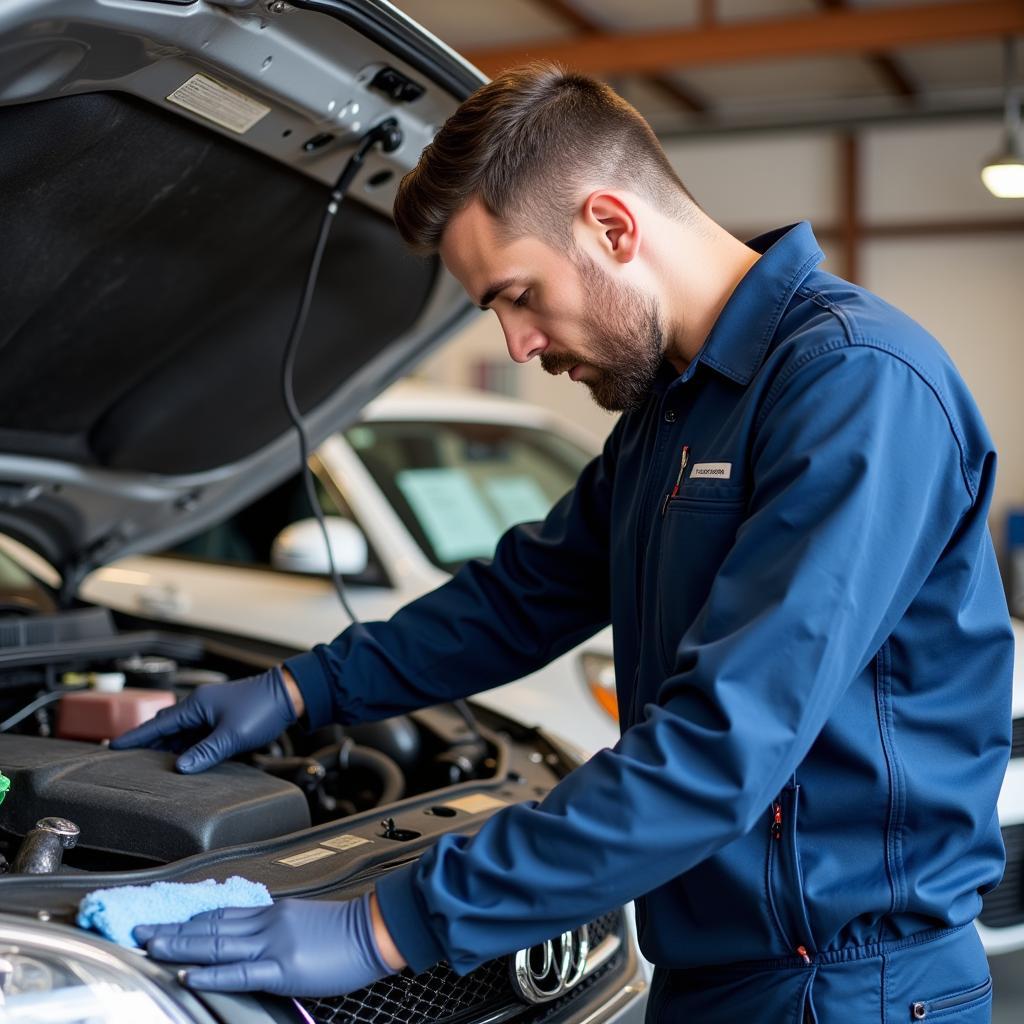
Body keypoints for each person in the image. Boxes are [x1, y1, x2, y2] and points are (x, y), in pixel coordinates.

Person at [113, 64, 1014, 1021]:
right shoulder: (674, 410)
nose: (516, 345)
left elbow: (719, 750)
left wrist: (383, 928)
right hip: (714, 976)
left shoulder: (854, 388)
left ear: (612, 226)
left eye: (517, 295)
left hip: (847, 991)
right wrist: (304, 689)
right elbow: (523, 597)